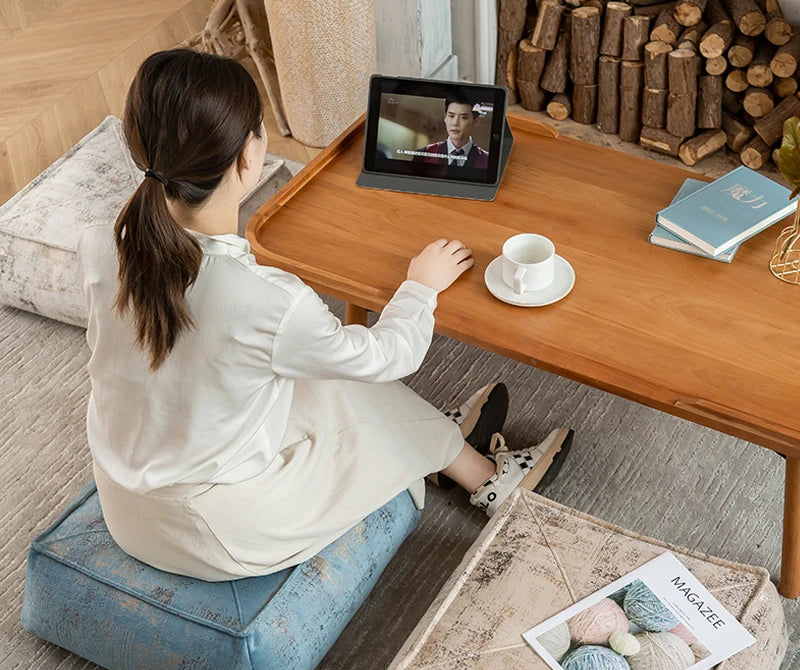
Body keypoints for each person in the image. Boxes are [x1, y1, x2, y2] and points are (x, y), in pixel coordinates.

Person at [78, 49, 573, 582]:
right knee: (354, 379)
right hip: (216, 530)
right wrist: (419, 288)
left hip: (127, 503)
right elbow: (390, 356)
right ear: (249, 157)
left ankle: (447, 450)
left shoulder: (102, 243)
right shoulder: (264, 299)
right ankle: (488, 478)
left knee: (320, 370)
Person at [413, 90, 490, 171]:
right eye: (451, 116)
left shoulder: (487, 160)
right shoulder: (424, 154)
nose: (455, 123)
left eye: (463, 117)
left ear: (476, 121)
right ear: (445, 117)